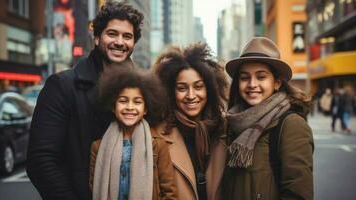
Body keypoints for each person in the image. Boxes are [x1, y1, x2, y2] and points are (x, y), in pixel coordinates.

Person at [26, 2, 144, 199]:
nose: (120, 42)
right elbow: (41, 161)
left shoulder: (142, 91)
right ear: (97, 38)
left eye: (127, 36)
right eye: (112, 34)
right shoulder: (62, 86)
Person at [221, 37, 314, 200]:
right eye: (244, 78)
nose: (252, 84)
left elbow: (298, 194)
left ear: (276, 82)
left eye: (261, 77)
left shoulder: (291, 125)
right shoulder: (233, 122)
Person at [153, 43, 229, 200]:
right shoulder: (156, 135)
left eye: (199, 87)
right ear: (170, 92)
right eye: (182, 88)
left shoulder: (225, 130)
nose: (191, 95)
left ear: (210, 89)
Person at [90, 67, 177, 200]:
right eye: (123, 101)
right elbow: (93, 187)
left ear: (146, 108)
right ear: (113, 107)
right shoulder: (98, 146)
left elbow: (169, 191)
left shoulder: (158, 145)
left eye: (137, 102)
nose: (130, 107)